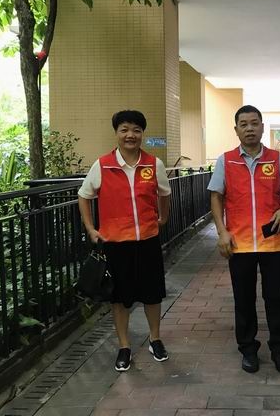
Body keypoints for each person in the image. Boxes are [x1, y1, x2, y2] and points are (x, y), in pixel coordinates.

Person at [78, 110, 171, 372]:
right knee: (119, 297)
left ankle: (155, 339)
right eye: (125, 129)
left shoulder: (153, 164)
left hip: (147, 239)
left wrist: (163, 218)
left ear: (142, 134)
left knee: (153, 293)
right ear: (117, 133)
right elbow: (84, 196)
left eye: (136, 130)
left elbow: (164, 193)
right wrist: (91, 228)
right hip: (115, 243)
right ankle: (124, 346)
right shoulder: (102, 165)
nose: (131, 135)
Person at [208, 105, 280, 374]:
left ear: (262, 127)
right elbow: (216, 197)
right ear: (236, 129)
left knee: (275, 299)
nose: (249, 129)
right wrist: (222, 232)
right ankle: (248, 349)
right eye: (244, 124)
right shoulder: (226, 161)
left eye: (254, 123)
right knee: (243, 300)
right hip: (240, 244)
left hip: (273, 243)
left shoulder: (276, 159)